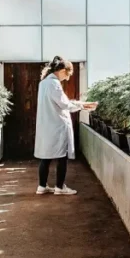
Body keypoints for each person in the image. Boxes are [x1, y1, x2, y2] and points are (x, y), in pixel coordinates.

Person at [34, 56, 97, 196]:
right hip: (57, 125)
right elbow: (64, 104)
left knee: (46, 156)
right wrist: (83, 106)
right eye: (68, 75)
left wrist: (80, 105)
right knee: (62, 156)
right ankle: (59, 187)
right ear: (62, 71)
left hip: (47, 125)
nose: (68, 78)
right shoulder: (54, 84)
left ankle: (42, 186)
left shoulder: (44, 83)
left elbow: (60, 102)